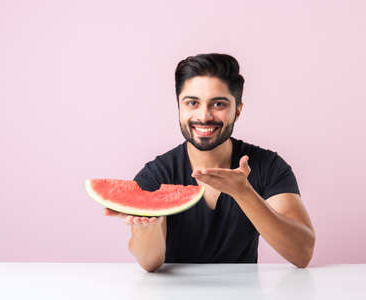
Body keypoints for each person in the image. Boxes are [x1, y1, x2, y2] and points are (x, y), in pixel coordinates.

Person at [104, 53, 315, 272]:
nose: (204, 116)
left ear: (238, 110)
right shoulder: (156, 175)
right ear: (179, 106)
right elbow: (150, 263)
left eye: (218, 104)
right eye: (192, 103)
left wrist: (244, 193)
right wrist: (150, 227)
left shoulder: (268, 166)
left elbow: (302, 253)